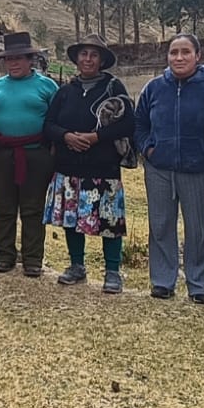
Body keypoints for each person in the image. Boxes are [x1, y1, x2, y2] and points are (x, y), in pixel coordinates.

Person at [134, 33, 204, 305]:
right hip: (160, 169)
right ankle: (162, 282)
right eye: (173, 52)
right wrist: (148, 149)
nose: (179, 57)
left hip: (199, 170)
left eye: (185, 52)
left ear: (198, 55)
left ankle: (199, 285)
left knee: (198, 229)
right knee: (161, 226)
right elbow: (140, 123)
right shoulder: (154, 88)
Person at [43, 34, 135, 292]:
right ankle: (76, 266)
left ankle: (113, 271)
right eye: (83, 54)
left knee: (109, 222)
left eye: (94, 55)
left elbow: (129, 123)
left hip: (103, 168)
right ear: (76, 59)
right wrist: (66, 137)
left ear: (102, 60)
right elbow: (48, 125)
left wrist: (96, 137)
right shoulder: (65, 91)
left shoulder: (114, 88)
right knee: (72, 219)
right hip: (69, 167)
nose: (88, 59)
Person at [0, 32, 58, 278]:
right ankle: (4, 256)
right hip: (0, 155)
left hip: (36, 155)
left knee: (33, 208)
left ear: (30, 59)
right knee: (2, 207)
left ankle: (33, 259)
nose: (13, 63)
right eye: (9, 59)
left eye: (19, 58)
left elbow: (57, 121)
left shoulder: (47, 86)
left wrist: (52, 151)